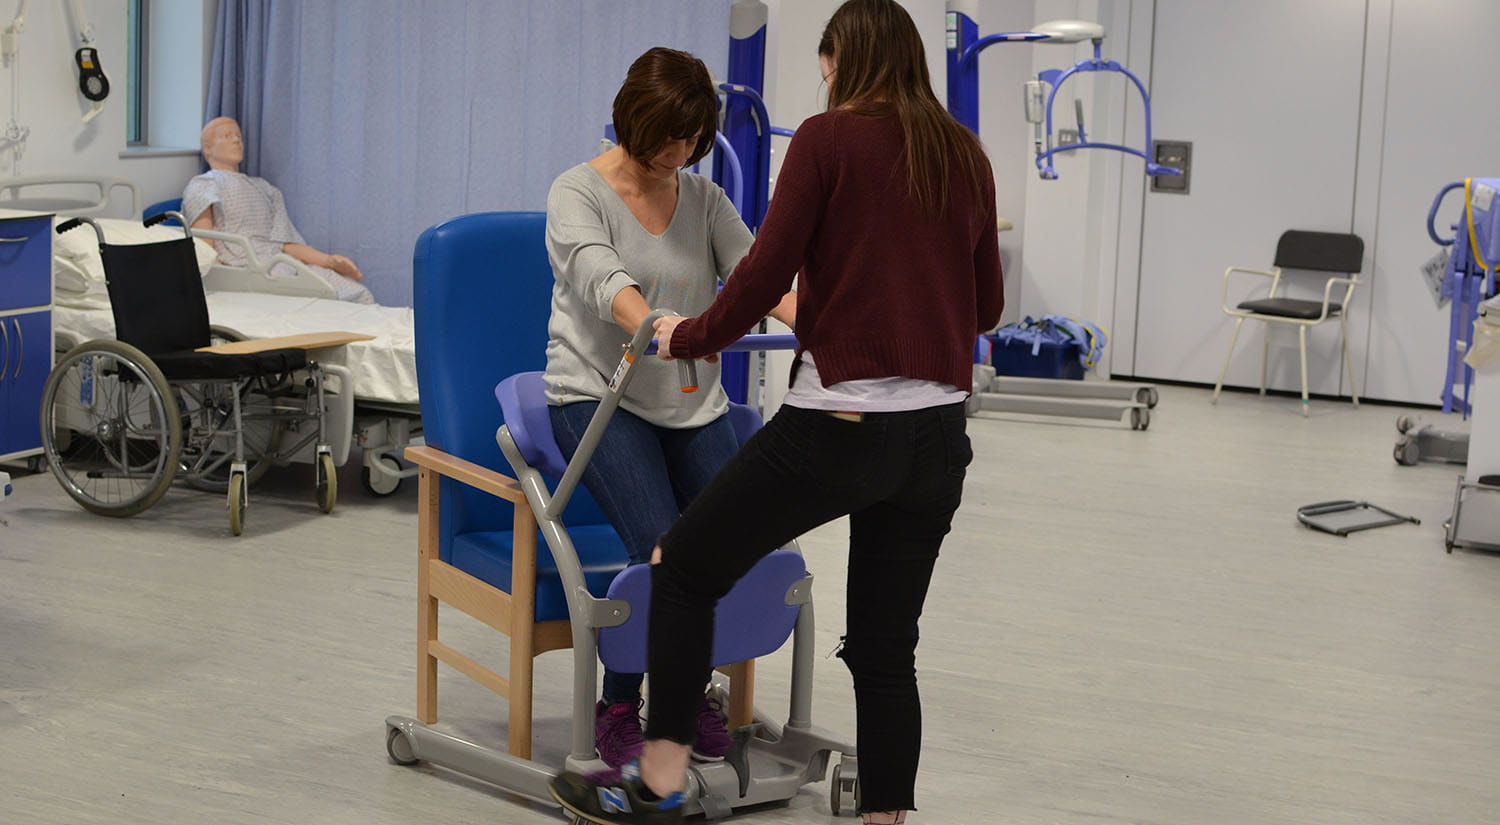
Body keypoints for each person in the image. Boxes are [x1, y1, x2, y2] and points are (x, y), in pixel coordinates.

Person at [548, 2, 1005, 824]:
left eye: (824, 63)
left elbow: (759, 272)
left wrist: (693, 337)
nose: (822, 78)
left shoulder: (827, 141)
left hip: (840, 427)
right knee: (884, 648)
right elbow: (988, 308)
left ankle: (658, 781)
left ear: (841, 59)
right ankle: (886, 817)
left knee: (684, 566)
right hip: (939, 438)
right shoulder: (964, 153)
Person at [543, 46, 796, 769]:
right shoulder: (576, 192)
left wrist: (824, 322)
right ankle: (621, 706)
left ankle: (682, 700)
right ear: (632, 115)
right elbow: (601, 276)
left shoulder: (704, 200)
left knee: (738, 539)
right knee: (662, 548)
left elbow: (757, 279)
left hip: (687, 400)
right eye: (666, 134)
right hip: (596, 393)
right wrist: (655, 323)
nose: (677, 152)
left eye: (692, 139)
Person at [183, 116, 376, 305]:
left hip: (282, 263)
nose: (236, 140)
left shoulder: (265, 188)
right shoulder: (204, 185)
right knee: (316, 304)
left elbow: (285, 243)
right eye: (227, 136)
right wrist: (229, 285)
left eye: (239, 137)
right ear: (207, 148)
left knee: (355, 292)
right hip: (244, 268)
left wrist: (329, 261)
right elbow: (204, 247)